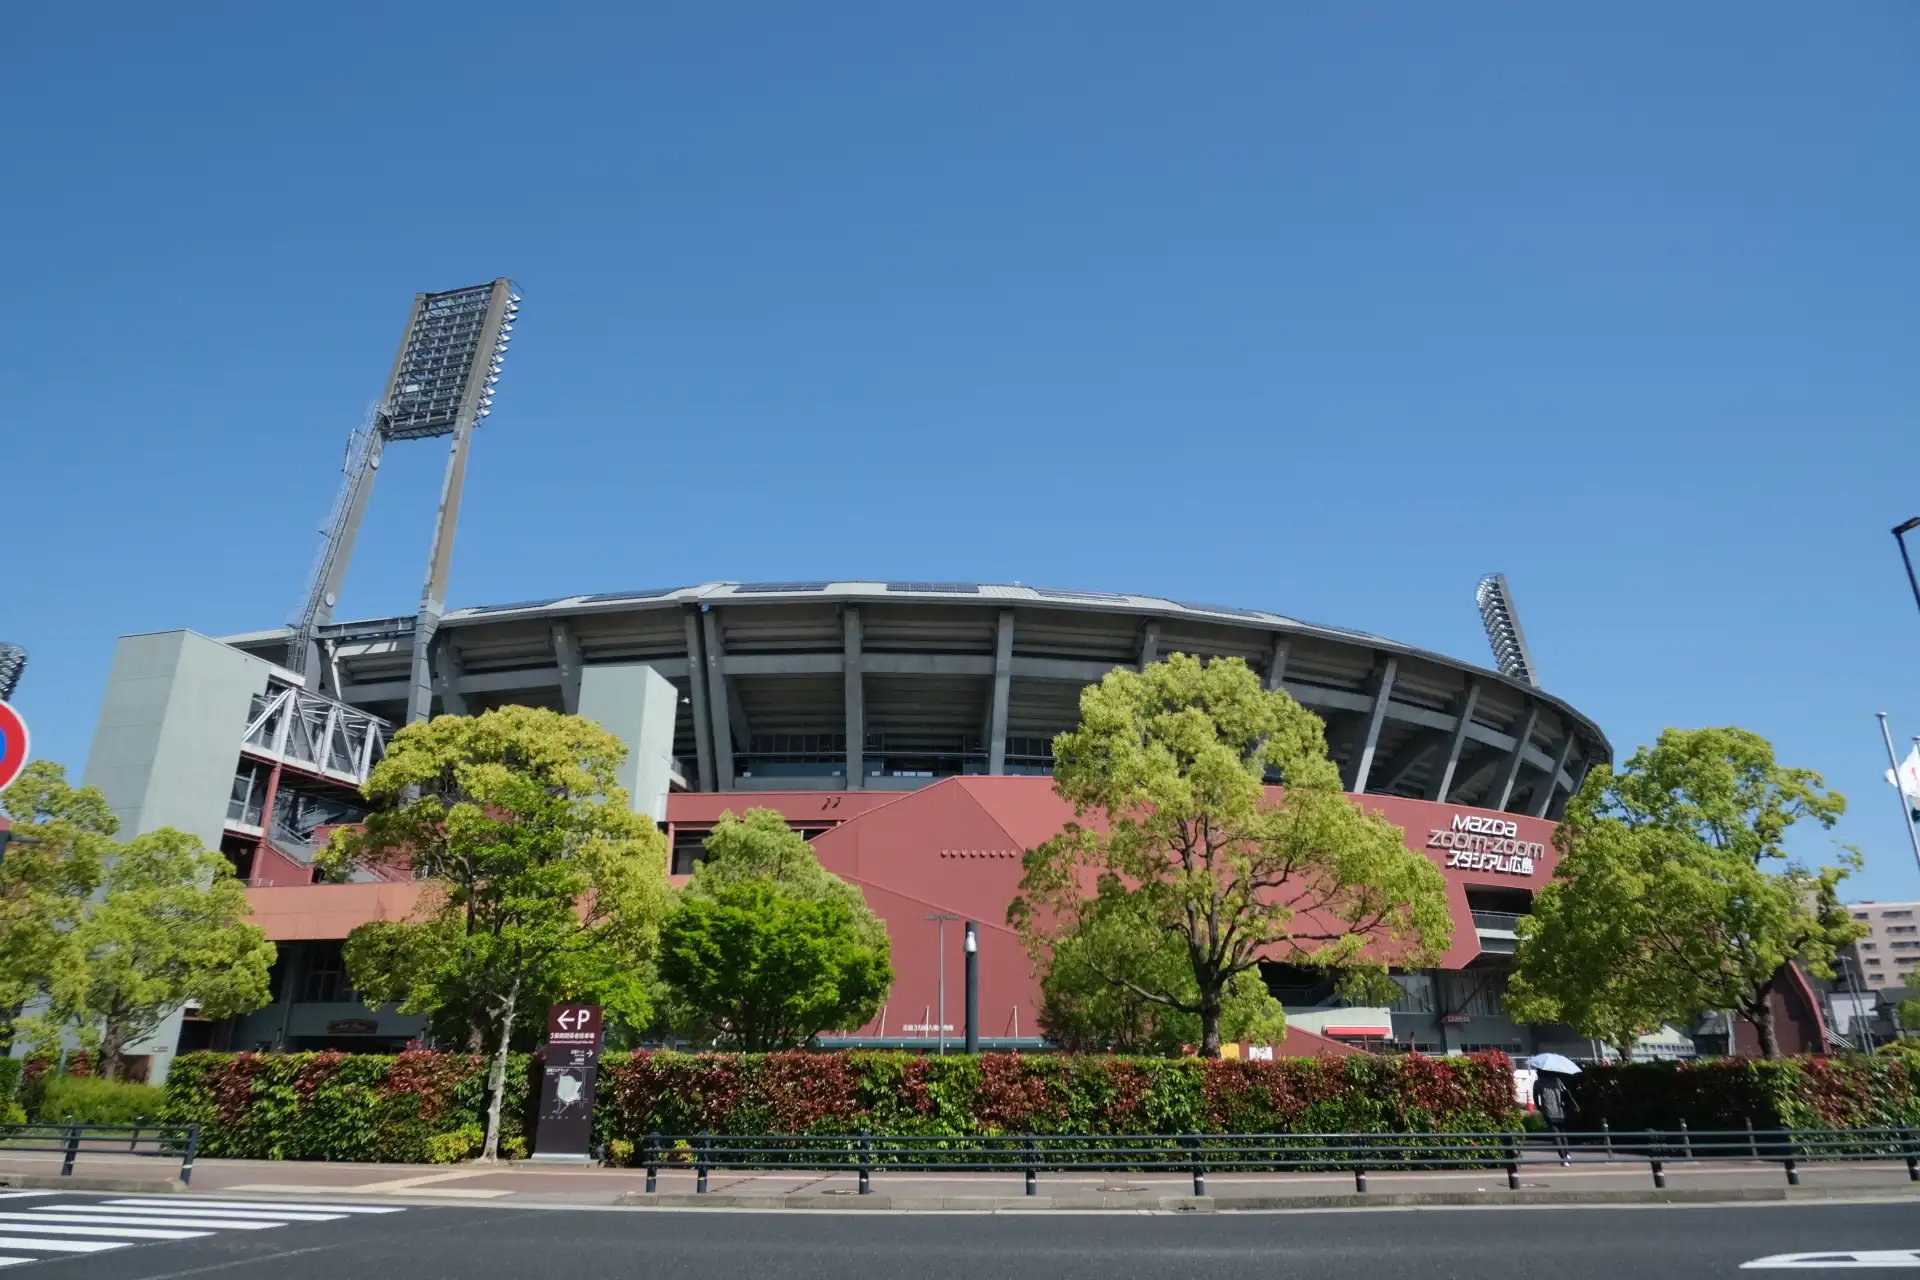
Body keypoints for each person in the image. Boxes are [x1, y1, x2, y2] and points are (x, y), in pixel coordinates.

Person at [1533, 1072, 1577, 1166]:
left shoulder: (1537, 1083)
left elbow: (1535, 1096)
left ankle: (1563, 1157)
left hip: (1548, 1111)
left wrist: (1539, 1107)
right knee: (1563, 1133)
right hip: (1560, 1110)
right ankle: (1567, 1154)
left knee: (1556, 1135)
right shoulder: (1557, 1080)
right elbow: (1565, 1092)